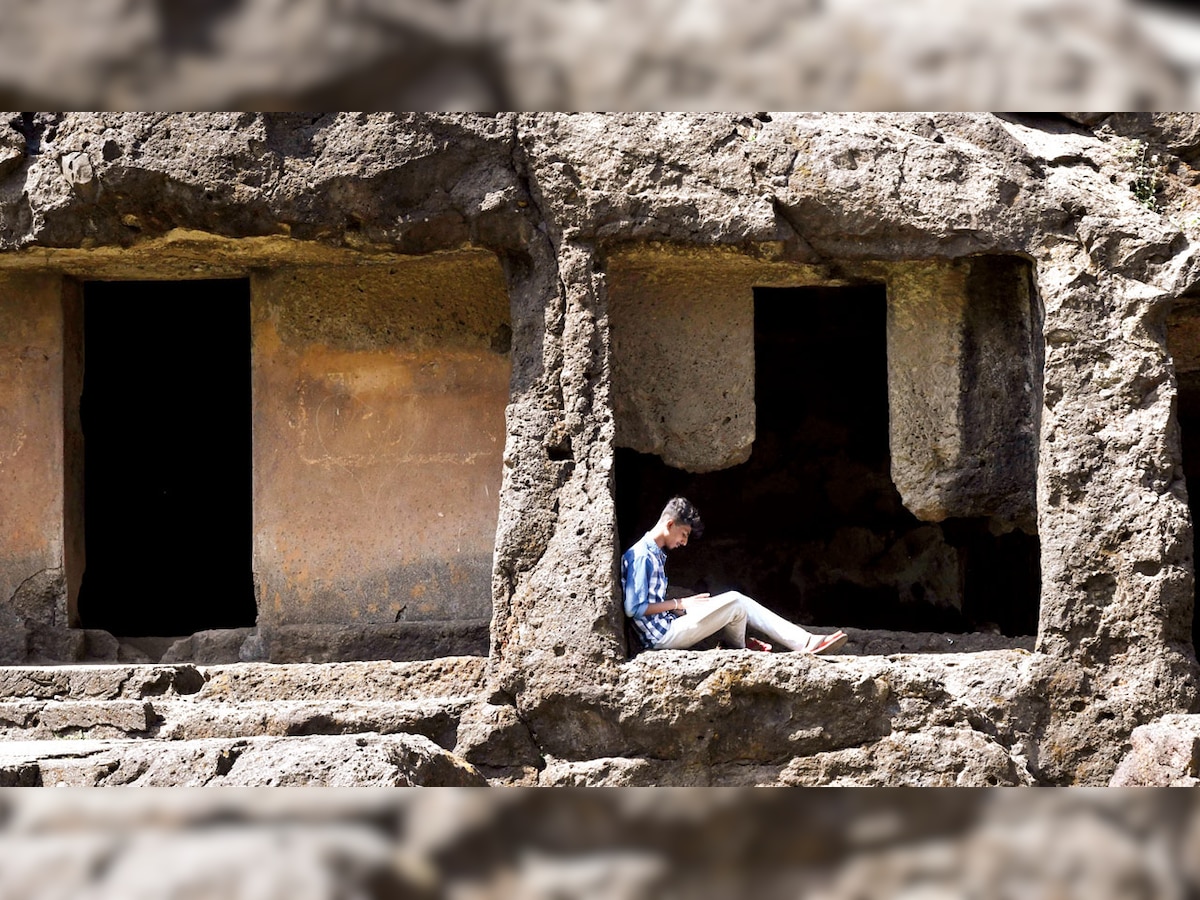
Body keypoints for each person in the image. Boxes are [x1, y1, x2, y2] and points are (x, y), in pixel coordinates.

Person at [622, 496, 848, 654]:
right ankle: (805, 642)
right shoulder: (641, 555)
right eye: (684, 534)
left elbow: (650, 603)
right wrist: (678, 603)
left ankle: (737, 648)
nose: (684, 542)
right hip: (661, 638)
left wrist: (684, 608)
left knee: (738, 606)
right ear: (669, 524)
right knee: (736, 599)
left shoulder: (654, 554)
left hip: (668, 626)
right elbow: (634, 608)